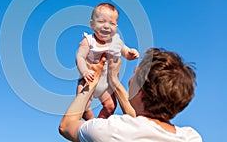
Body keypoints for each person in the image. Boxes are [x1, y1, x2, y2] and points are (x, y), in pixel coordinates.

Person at [59, 48, 202, 142]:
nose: (129, 80)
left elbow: (67, 126)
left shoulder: (112, 130)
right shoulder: (191, 137)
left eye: (134, 74)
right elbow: (141, 123)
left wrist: (92, 81)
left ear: (140, 92)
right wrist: (113, 80)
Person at [76, 3, 139, 120]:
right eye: (101, 22)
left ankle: (100, 123)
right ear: (92, 24)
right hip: (88, 79)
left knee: (110, 106)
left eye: (112, 23)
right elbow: (79, 57)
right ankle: (90, 123)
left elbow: (125, 52)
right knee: (83, 106)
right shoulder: (88, 40)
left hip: (106, 82)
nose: (106, 26)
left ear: (116, 26)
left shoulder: (116, 40)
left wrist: (131, 53)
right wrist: (84, 72)